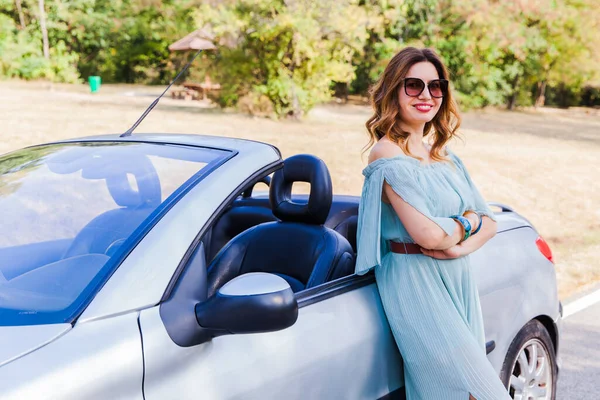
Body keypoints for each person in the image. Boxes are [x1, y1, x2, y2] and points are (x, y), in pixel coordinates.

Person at [355, 47, 512, 400]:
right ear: (394, 90)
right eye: (413, 85)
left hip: (457, 276)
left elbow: (489, 223)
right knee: (476, 392)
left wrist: (457, 245)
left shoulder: (444, 155)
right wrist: (466, 221)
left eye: (435, 86)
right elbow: (426, 233)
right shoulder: (387, 153)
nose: (426, 95)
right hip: (414, 280)